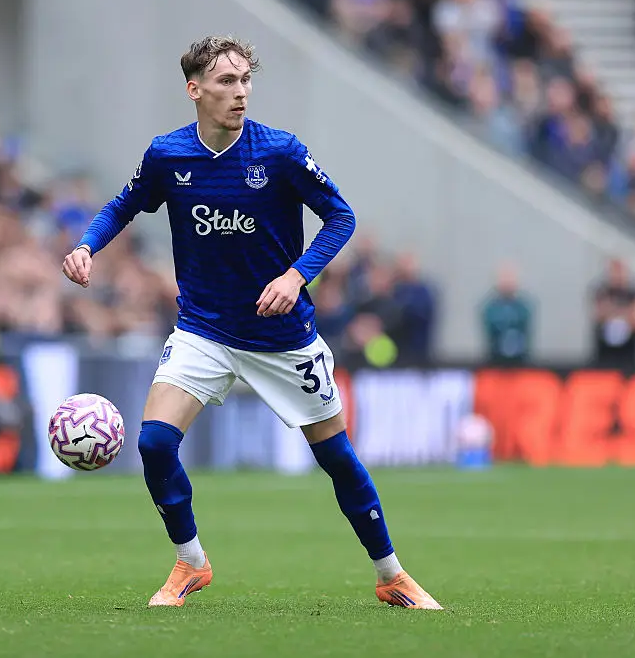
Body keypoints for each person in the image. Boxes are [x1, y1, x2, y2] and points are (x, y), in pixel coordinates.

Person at [62, 35, 442, 610]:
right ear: (195, 90)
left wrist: (296, 277)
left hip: (282, 337)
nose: (239, 93)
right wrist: (88, 245)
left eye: (245, 81)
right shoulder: (168, 156)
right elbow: (123, 204)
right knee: (155, 444)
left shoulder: (281, 152)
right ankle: (190, 563)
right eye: (225, 82)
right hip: (203, 329)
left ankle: (391, 574)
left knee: (336, 457)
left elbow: (341, 217)